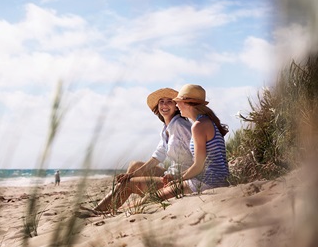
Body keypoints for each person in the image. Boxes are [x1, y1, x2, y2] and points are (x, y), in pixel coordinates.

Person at [81, 84, 229, 216]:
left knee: (145, 195)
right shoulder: (199, 123)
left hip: (203, 182)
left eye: (176, 101)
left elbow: (198, 165)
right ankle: (109, 208)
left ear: (186, 103)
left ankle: (104, 212)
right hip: (206, 178)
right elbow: (161, 155)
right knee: (136, 171)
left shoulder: (193, 125)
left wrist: (177, 179)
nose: (176, 105)